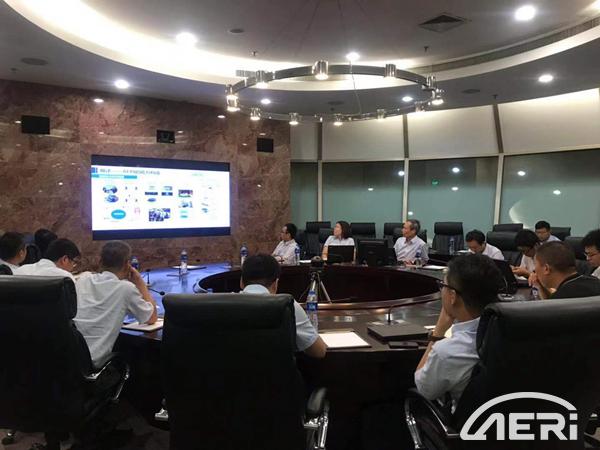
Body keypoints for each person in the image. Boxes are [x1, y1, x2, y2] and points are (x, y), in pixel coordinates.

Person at [415, 254, 502, 409]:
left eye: (443, 285)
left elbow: (424, 388)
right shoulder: (516, 330)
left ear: (453, 296)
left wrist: (438, 332)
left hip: (469, 422)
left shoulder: (447, 352)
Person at [74, 241, 157, 366]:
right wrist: (140, 282)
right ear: (127, 265)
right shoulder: (125, 288)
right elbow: (151, 318)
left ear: (100, 261)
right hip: (94, 363)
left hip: (70, 359)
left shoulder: (83, 279)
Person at [240, 254, 326, 359]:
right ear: (276, 284)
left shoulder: (223, 305)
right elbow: (319, 351)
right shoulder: (288, 305)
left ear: (241, 282)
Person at [529, 241, 600, 300]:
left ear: (546, 269)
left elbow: (549, 308)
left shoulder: (560, 299)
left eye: (535, 265)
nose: (534, 270)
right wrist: (540, 287)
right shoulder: (595, 281)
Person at [14, 238, 80, 280]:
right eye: (74, 263)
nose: (73, 267)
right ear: (65, 259)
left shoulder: (21, 270)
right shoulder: (65, 278)